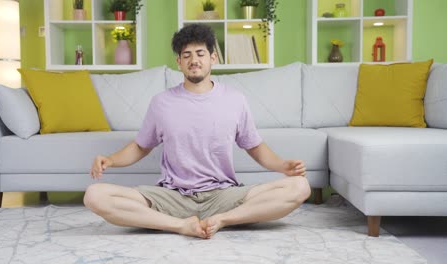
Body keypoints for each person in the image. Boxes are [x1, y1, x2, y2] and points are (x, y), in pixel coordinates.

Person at [84, 24, 311, 239]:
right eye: (187, 55)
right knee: (94, 196)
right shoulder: (161, 102)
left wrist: (282, 166)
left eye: (200, 53)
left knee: (300, 186)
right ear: (179, 62)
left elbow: (254, 146)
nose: (194, 60)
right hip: (173, 196)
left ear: (213, 58)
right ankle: (181, 225)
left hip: (222, 195)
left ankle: (222, 220)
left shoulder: (235, 100)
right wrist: (110, 160)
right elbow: (141, 146)